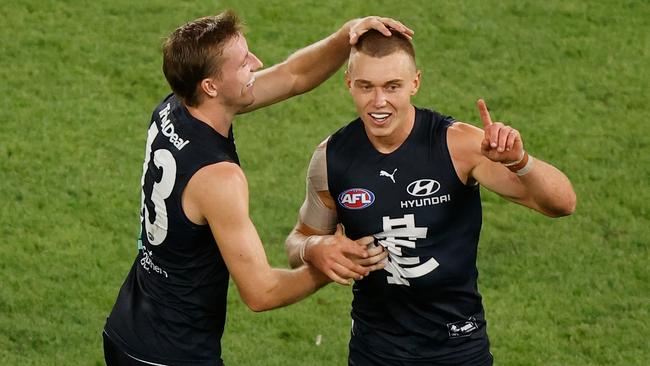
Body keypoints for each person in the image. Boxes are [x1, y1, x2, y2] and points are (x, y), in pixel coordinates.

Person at [103, 11, 413, 366]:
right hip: (172, 353)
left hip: (127, 325)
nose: (256, 63)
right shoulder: (219, 178)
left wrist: (348, 35)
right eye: (243, 62)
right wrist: (325, 264)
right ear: (211, 86)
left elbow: (292, 75)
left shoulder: (173, 107)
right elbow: (261, 292)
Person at [285, 30, 576, 365]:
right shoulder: (331, 157)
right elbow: (298, 243)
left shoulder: (458, 146)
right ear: (349, 83)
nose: (379, 102)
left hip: (458, 349)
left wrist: (519, 161)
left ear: (415, 83)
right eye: (366, 86)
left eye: (392, 86)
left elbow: (563, 204)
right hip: (375, 352)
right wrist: (314, 248)